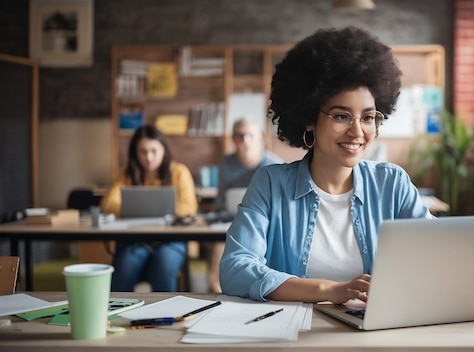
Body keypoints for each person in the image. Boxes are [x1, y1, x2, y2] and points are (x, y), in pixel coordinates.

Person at [219, 26, 434, 304]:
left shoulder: (392, 183)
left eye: (367, 118)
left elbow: (436, 253)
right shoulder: (271, 185)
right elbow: (235, 269)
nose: (357, 132)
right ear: (309, 118)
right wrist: (329, 291)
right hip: (293, 336)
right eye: (342, 116)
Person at [100, 124, 198, 292]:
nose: (149, 157)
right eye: (143, 151)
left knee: (164, 265)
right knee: (124, 266)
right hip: (135, 240)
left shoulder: (179, 172)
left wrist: (137, 210)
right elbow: (107, 204)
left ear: (164, 151)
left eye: (154, 151)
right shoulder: (127, 175)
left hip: (170, 241)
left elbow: (189, 208)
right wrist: (161, 210)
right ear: (135, 153)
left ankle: (167, 316)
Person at [206, 117, 282, 293]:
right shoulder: (226, 163)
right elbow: (220, 200)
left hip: (263, 226)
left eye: (250, 135)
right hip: (229, 223)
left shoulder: (274, 165)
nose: (245, 141)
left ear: (261, 138)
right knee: (220, 241)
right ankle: (216, 289)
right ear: (233, 139)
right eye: (240, 136)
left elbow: (280, 208)